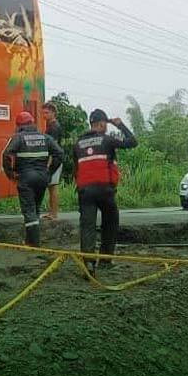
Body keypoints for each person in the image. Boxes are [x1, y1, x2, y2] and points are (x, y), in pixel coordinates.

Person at [73, 109, 137, 274]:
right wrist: (120, 125)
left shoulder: (78, 143)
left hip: (85, 191)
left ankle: (88, 264)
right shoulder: (107, 139)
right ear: (101, 124)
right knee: (110, 222)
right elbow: (132, 142)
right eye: (106, 125)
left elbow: (76, 169)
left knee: (87, 226)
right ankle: (106, 260)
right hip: (104, 190)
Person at [2, 111, 64, 247]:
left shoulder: (18, 137)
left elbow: (6, 154)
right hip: (42, 178)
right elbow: (59, 153)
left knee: (29, 211)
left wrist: (11, 174)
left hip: (26, 178)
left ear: (19, 126)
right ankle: (30, 241)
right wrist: (49, 172)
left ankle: (34, 244)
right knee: (35, 209)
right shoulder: (45, 137)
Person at [42, 102, 64, 221]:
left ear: (53, 113)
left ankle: (54, 214)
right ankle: (51, 212)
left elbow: (53, 148)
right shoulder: (50, 126)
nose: (44, 115)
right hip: (52, 159)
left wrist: (48, 164)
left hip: (55, 160)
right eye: (43, 112)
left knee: (53, 186)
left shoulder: (54, 127)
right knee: (51, 187)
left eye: (47, 112)